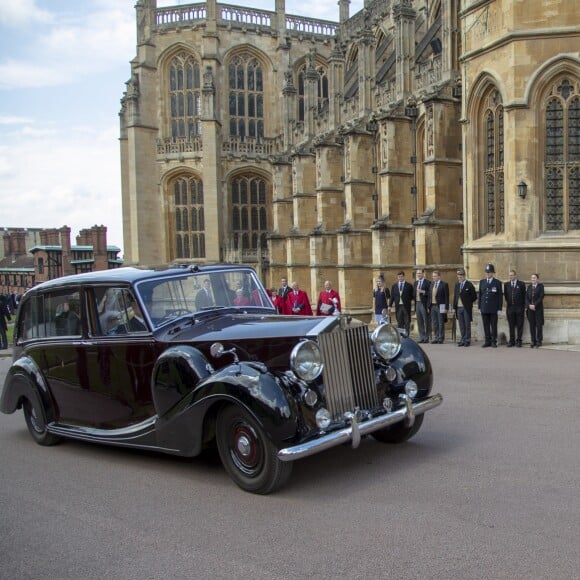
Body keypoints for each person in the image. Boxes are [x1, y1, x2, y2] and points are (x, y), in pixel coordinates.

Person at [478, 263, 503, 348]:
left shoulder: (497, 282)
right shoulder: (482, 282)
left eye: (489, 272)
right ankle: (487, 341)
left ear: (493, 273)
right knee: (486, 325)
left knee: (493, 325)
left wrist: (499, 308)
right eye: (487, 272)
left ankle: (493, 341)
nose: (488, 274)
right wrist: (479, 307)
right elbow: (480, 295)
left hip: (493, 308)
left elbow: (500, 296)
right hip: (484, 307)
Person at [452, 268, 477, 347]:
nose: (460, 278)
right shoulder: (457, 284)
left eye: (461, 277)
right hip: (458, 307)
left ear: (464, 276)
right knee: (461, 324)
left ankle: (467, 340)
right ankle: (462, 339)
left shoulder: (469, 284)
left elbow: (474, 296)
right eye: (458, 277)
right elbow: (455, 296)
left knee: (467, 324)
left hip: (466, 308)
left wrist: (468, 302)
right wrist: (454, 307)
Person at [503, 269, 526, 347]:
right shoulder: (506, 284)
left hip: (519, 308)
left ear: (515, 276)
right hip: (510, 308)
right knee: (511, 325)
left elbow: (524, 296)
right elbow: (506, 296)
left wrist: (522, 307)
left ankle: (519, 341)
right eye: (510, 275)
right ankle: (511, 341)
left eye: (512, 275)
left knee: (520, 325)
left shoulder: (521, 284)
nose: (511, 276)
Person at [428, 270, 449, 343]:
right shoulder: (431, 284)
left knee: (441, 323)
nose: (433, 277)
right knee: (435, 323)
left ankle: (441, 338)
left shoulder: (444, 284)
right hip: (432, 306)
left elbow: (447, 297)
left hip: (441, 305)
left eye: (435, 276)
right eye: (433, 276)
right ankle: (436, 337)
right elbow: (430, 296)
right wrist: (428, 306)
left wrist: (446, 308)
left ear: (439, 276)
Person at [526, 273, 544, 348]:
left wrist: (535, 305)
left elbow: (541, 297)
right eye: (532, 278)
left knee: (539, 325)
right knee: (532, 325)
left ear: (537, 279)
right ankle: (533, 340)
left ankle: (539, 341)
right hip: (530, 309)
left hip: (538, 309)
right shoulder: (529, 287)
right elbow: (526, 297)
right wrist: (529, 305)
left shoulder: (541, 287)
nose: (533, 279)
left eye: (534, 278)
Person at [413, 268, 431, 343]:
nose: (418, 275)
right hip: (417, 303)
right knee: (419, 321)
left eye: (420, 273)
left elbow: (430, 293)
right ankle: (422, 337)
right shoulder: (415, 283)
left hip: (424, 303)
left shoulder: (427, 282)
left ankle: (427, 338)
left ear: (423, 274)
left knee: (426, 321)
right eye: (417, 273)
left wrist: (423, 291)